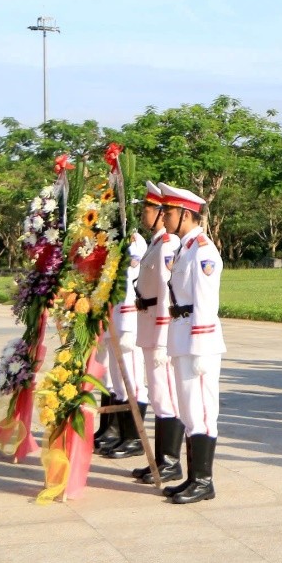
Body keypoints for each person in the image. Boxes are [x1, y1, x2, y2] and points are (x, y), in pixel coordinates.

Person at [158, 183, 224, 504]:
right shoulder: (185, 249)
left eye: (168, 212)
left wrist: (200, 348)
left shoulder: (203, 251)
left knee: (201, 410)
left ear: (186, 214)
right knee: (187, 409)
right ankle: (193, 477)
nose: (164, 217)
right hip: (181, 337)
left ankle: (204, 481)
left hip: (199, 343)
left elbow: (206, 303)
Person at [132, 181, 182, 484]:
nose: (146, 215)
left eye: (149, 210)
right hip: (148, 324)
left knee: (165, 395)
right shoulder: (155, 243)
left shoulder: (167, 246)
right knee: (158, 393)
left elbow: (166, 293)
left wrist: (163, 337)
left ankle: (170, 462)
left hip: (158, 327)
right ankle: (162, 460)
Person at [96, 201, 149, 459]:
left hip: (128, 323)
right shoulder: (114, 242)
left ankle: (133, 438)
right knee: (116, 381)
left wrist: (127, 326)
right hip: (113, 319)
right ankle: (114, 431)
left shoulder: (134, 243)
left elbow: (130, 286)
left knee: (132, 381)